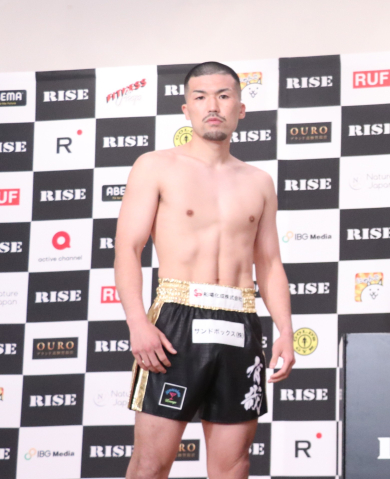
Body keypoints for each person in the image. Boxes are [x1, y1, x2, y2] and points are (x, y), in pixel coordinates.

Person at [115, 61, 295, 479]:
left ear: (240, 109)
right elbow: (128, 248)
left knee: (234, 466)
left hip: (240, 320)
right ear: (186, 109)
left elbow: (269, 262)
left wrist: (286, 330)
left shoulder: (259, 181)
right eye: (200, 97)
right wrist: (137, 323)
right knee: (150, 464)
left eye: (223, 96)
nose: (212, 105)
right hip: (176, 320)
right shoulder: (156, 166)